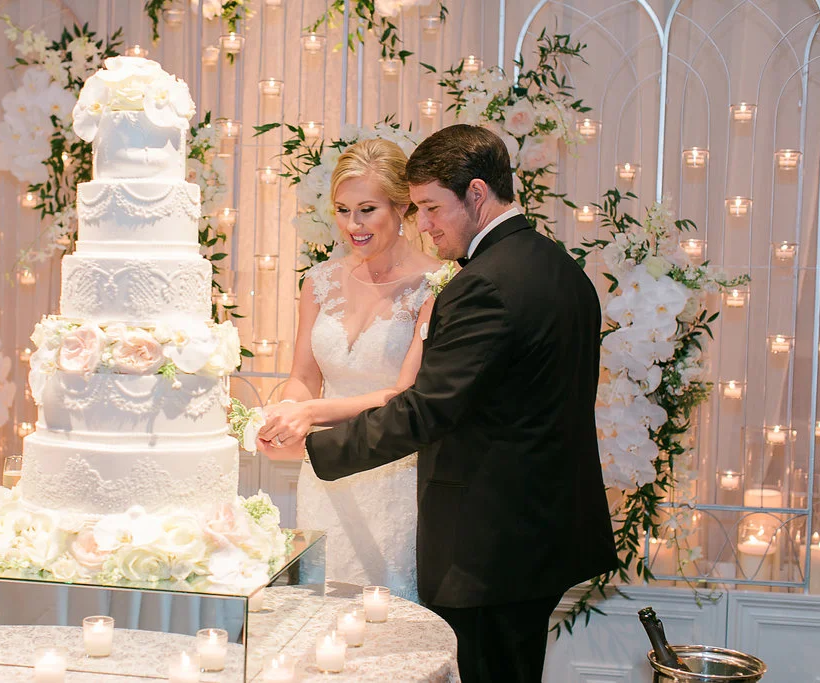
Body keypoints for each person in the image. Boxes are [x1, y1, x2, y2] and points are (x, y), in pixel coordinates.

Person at [261, 124, 617, 683]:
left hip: (492, 543)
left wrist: (317, 445)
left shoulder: (481, 284)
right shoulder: (560, 268)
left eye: (430, 208)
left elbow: (427, 407)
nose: (424, 224)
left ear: (476, 194)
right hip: (542, 530)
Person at [262, 137, 440, 602]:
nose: (353, 225)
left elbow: (404, 394)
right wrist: (285, 414)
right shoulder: (319, 281)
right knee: (319, 605)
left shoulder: (437, 284)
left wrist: (310, 412)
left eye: (367, 210)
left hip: (392, 470)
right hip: (324, 474)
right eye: (343, 211)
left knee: (387, 610)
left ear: (402, 207)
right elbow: (304, 376)